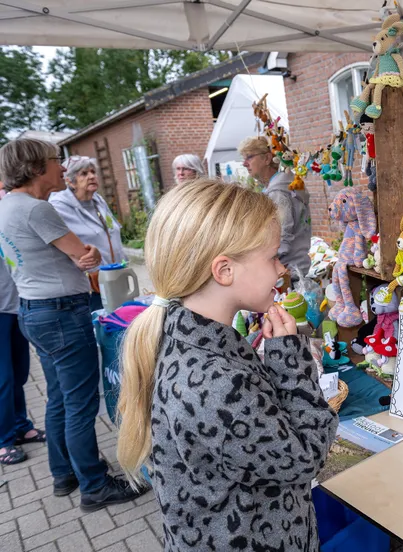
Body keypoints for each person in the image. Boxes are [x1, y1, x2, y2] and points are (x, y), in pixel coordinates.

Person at [116, 179, 337, 551]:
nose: (281, 269)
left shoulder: (189, 336)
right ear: (224, 271)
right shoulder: (214, 383)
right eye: (271, 256)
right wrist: (290, 358)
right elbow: (305, 458)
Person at [0, 138, 146, 510]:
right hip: (62, 312)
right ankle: (94, 485)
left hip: (33, 310)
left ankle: (64, 472)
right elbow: (85, 254)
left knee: (60, 397)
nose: (62, 167)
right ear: (36, 168)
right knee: (81, 403)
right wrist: (91, 254)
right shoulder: (36, 210)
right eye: (55, 160)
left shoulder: (7, 206)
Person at [50, 156, 126, 312]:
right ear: (69, 181)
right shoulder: (58, 207)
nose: (91, 176)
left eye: (93, 172)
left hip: (116, 275)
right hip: (91, 285)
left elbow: (112, 231)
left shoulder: (98, 201)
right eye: (83, 174)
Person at [0, 234, 45, 465]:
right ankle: (3, 441)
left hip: (16, 305)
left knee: (19, 373)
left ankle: (20, 426)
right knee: (3, 379)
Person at [239, 136, 312, 278]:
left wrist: (258, 260)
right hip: (294, 267)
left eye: (249, 157)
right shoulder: (283, 187)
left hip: (286, 271)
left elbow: (280, 235)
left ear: (267, 159)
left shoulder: (278, 193)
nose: (244, 164)